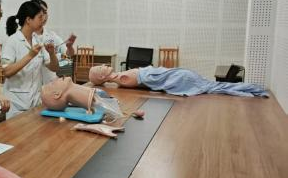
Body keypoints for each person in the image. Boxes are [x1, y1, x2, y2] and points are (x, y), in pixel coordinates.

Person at [1, 0, 59, 118]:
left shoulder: (38, 40)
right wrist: (29, 56)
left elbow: (54, 68)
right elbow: (6, 71)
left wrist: (52, 54)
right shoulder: (12, 41)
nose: (43, 20)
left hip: (35, 102)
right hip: (16, 105)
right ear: (28, 20)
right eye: (40, 17)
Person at [89, 64, 269, 97]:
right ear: (102, 77)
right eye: (100, 68)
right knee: (215, 87)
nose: (104, 65)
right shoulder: (123, 78)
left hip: (179, 76)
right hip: (178, 78)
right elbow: (151, 83)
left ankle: (252, 90)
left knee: (215, 87)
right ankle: (252, 90)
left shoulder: (122, 78)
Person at [32, 0, 76, 84]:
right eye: (41, 12)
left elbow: (67, 56)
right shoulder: (26, 37)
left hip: (50, 85)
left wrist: (69, 47)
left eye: (45, 12)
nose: (44, 16)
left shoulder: (52, 35)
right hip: (32, 86)